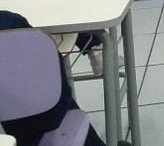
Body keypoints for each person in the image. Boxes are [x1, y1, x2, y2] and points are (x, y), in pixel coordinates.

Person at [0, 10, 108, 146]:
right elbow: (52, 112)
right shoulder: (10, 24)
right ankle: (95, 48)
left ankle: (94, 48)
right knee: (46, 107)